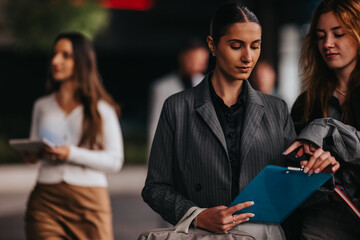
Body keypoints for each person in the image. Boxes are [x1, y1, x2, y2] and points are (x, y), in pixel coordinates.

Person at [141, 2, 339, 239]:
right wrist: (197, 215)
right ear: (212, 45)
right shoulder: (177, 107)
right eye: (236, 46)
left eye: (255, 46)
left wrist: (317, 173)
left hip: (263, 235)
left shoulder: (276, 109)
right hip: (203, 235)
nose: (248, 57)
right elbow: (155, 187)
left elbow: (288, 186)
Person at [22, 32, 124, 240]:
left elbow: (115, 161)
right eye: (54, 54)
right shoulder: (42, 106)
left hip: (89, 203)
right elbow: (35, 149)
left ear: (82, 61)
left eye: (65, 55)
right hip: (45, 200)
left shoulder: (102, 109)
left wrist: (71, 153)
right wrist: (32, 155)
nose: (55, 61)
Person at [285, 0, 360, 239]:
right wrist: (314, 170)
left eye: (338, 34)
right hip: (316, 228)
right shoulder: (305, 103)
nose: (327, 44)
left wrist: (326, 128)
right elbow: (290, 176)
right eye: (320, 36)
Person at [148, 38, 209, 147]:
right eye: (192, 59)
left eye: (201, 60)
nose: (196, 64)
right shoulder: (162, 87)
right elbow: (156, 124)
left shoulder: (209, 86)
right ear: (182, 57)